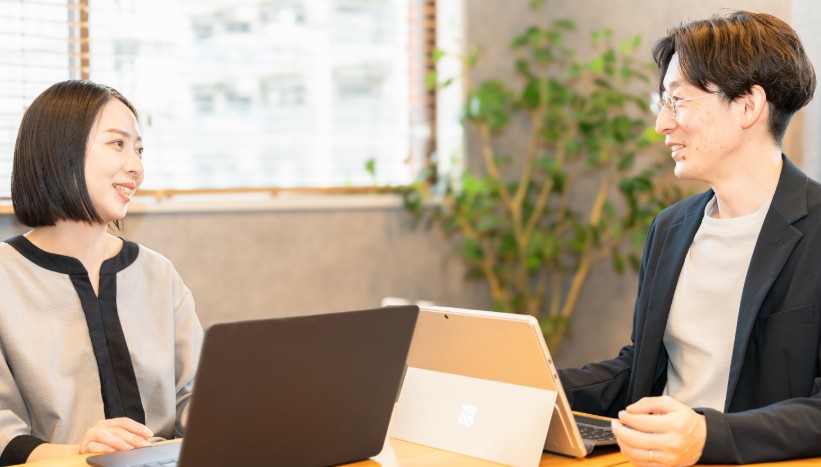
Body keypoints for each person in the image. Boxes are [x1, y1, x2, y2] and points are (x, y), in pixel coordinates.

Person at [558, 10, 819, 466]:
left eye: (677, 100)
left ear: (748, 106)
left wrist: (708, 435)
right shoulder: (671, 227)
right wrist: (536, 383)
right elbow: (641, 368)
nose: (662, 123)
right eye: (662, 101)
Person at [0, 80, 204, 465]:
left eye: (139, 150)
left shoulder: (158, 274)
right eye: (117, 144)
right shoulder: (5, 277)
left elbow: (195, 396)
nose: (137, 167)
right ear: (61, 151)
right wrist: (81, 453)